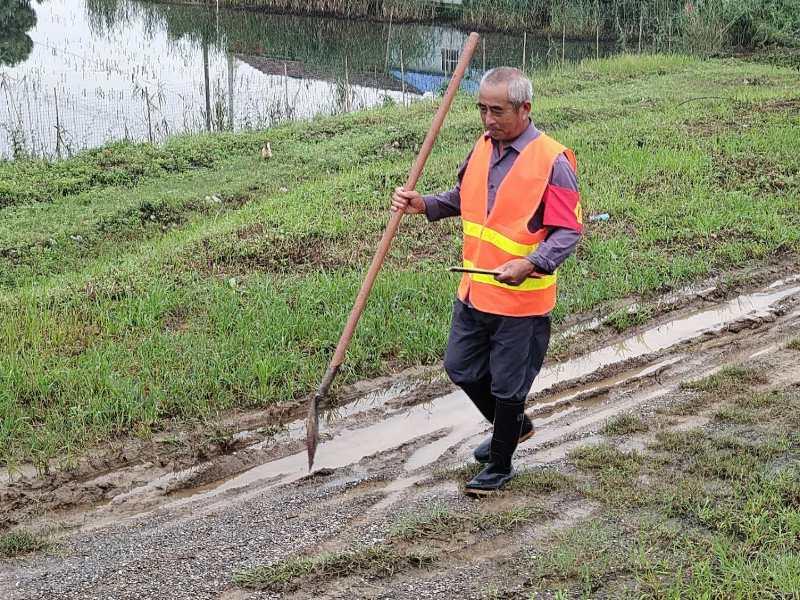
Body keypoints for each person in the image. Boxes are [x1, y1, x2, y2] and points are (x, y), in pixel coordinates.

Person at [391, 67, 582, 495]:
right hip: (475, 290)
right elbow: (465, 198)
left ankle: (500, 464)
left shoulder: (552, 160)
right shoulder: (482, 149)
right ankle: (513, 427)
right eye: (482, 110)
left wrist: (531, 263)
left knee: (507, 385)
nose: (488, 120)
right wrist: (425, 204)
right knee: (459, 367)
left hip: (521, 303)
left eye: (497, 111)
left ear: (524, 108)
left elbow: (568, 231)